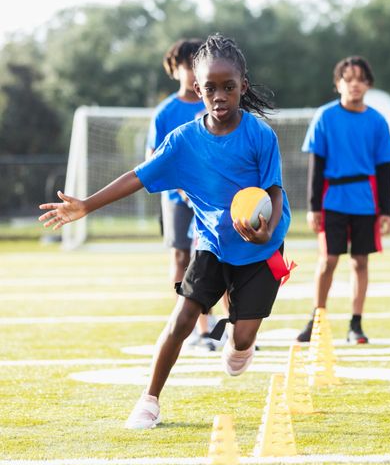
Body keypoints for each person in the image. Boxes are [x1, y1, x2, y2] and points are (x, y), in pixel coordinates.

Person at [39, 34, 293, 428]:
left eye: (229, 87)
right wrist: (87, 204)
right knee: (182, 318)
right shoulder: (183, 141)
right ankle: (149, 400)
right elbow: (137, 176)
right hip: (211, 243)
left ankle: (238, 345)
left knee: (242, 341)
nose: (220, 96)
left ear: (243, 86)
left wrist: (267, 230)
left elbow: (274, 190)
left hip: (263, 248)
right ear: (198, 88)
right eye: (211, 88)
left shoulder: (260, 135)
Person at [296, 56, 390, 344]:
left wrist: (385, 211)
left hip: (365, 200)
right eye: (347, 79)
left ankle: (356, 324)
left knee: (360, 262)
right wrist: (314, 206)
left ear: (368, 84)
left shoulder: (377, 121)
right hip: (332, 201)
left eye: (360, 79)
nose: (354, 84)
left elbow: (384, 168)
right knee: (327, 260)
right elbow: (316, 163)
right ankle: (317, 319)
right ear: (337, 84)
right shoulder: (325, 117)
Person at [146, 38, 220, 351]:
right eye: (186, 66)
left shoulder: (215, 104)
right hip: (178, 201)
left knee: (219, 257)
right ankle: (194, 328)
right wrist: (181, 186)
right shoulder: (165, 113)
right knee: (181, 257)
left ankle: (225, 328)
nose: (191, 73)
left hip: (214, 199)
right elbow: (153, 161)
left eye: (196, 65)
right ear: (174, 70)